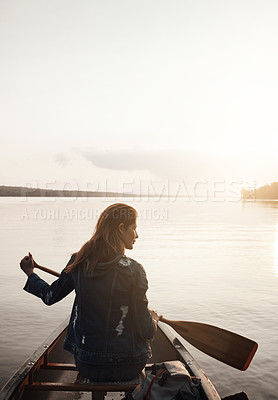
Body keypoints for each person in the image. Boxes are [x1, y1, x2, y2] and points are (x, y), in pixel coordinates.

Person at [20, 203, 160, 382]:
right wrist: (154, 319)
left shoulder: (79, 261)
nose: (137, 235)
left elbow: (50, 296)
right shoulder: (135, 270)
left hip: (88, 364)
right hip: (129, 366)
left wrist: (31, 274)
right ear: (121, 228)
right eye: (134, 229)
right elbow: (147, 330)